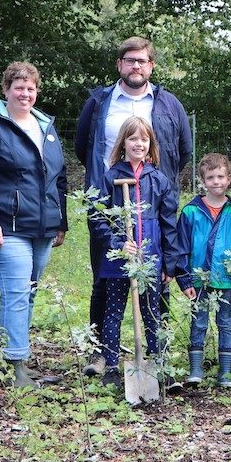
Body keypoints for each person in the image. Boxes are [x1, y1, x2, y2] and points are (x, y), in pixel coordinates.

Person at [75, 36, 192, 377]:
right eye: (129, 60)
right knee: (106, 281)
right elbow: (84, 147)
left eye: (142, 60)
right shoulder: (99, 102)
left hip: (153, 206)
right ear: (120, 65)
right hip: (109, 204)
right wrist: (107, 180)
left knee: (156, 288)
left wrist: (159, 185)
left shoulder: (169, 104)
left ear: (151, 65)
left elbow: (182, 151)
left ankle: (158, 356)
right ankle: (102, 356)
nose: (135, 66)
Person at [0, 62, 67, 389]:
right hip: (4, 225)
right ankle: (15, 365)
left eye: (31, 88)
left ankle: (17, 358)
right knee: (17, 290)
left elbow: (59, 178)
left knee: (29, 291)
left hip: (42, 225)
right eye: (18, 87)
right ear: (6, 89)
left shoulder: (45, 126)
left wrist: (61, 221)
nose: (25, 94)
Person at [89, 117, 179, 390]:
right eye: (133, 138)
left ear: (150, 144)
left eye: (144, 139)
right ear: (123, 143)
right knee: (113, 312)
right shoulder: (110, 178)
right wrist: (118, 243)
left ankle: (158, 364)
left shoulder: (159, 180)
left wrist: (170, 263)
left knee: (153, 313)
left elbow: (169, 222)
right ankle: (112, 366)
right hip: (118, 262)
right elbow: (97, 217)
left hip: (150, 259)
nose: (138, 143)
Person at [173, 153, 231, 388]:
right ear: (203, 180)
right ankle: (196, 370)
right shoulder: (191, 211)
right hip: (198, 279)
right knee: (198, 322)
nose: (216, 182)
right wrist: (184, 278)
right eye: (211, 177)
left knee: (225, 323)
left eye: (221, 176)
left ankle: (226, 373)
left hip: (226, 279)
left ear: (229, 179)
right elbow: (182, 247)